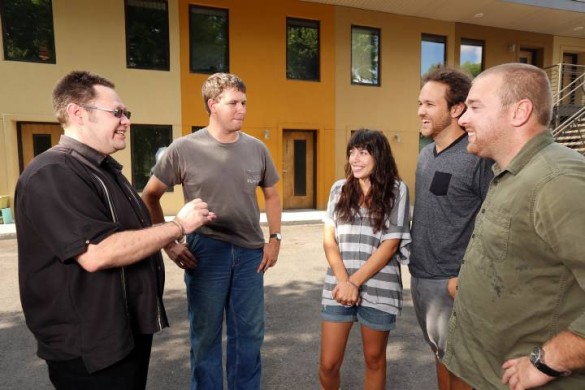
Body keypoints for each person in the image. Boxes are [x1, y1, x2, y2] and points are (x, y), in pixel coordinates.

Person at [15, 70, 216, 389]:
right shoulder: (53, 173)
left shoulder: (104, 170)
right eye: (117, 113)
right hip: (89, 346)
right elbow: (97, 253)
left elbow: (132, 233)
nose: (126, 121)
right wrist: (178, 226)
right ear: (77, 113)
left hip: (123, 332)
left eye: (127, 113)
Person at [443, 63, 585, 389]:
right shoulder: (512, 172)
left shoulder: (557, 180)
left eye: (475, 107)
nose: (463, 119)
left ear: (519, 111)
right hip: (481, 370)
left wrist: (549, 360)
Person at [141, 72, 282, 389]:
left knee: (248, 338)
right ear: (212, 105)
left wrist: (275, 239)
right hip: (205, 252)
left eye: (244, 102)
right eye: (234, 103)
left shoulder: (256, 149)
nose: (242, 109)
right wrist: (170, 243)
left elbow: (272, 194)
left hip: (250, 255)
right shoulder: (183, 149)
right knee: (205, 338)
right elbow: (149, 196)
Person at [410, 67, 493, 390]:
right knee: (440, 355)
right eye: (420, 103)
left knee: (462, 366)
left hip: (453, 282)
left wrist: (467, 275)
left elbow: (494, 219)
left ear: (456, 109)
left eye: (430, 104)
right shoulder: (425, 156)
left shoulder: (477, 159)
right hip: (420, 277)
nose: (421, 111)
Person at [318, 129, 412, 389]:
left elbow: (390, 244)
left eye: (363, 152)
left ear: (379, 156)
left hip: (380, 286)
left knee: (374, 360)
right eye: (351, 152)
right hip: (338, 286)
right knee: (328, 363)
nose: (354, 159)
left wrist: (354, 283)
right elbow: (329, 241)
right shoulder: (339, 189)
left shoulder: (397, 190)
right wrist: (344, 282)